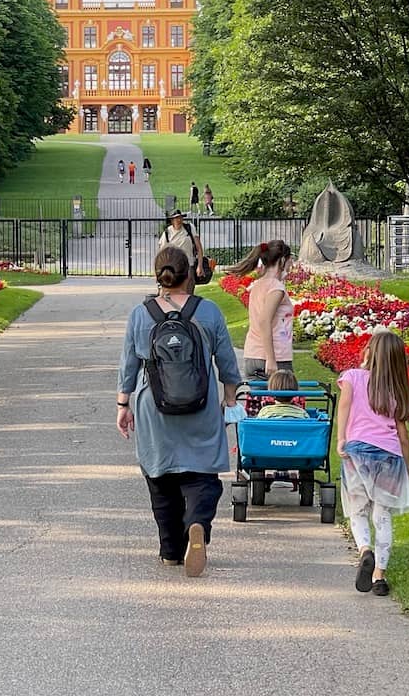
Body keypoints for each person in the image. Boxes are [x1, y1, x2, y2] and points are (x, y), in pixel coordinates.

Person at [117, 245, 241, 576]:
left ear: (158, 275)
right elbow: (227, 363)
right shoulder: (209, 311)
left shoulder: (140, 315)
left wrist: (123, 404)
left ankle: (170, 549)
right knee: (203, 476)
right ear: (190, 274)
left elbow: (128, 366)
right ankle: (197, 522)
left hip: (153, 409)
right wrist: (230, 401)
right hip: (199, 406)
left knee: (160, 479)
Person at [335, 329, 409, 597]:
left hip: (357, 453)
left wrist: (341, 439)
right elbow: (403, 435)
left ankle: (364, 550)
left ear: (368, 353)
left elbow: (343, 408)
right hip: (389, 457)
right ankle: (380, 575)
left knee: (357, 510)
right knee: (382, 515)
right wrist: (407, 469)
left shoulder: (352, 377)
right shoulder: (397, 390)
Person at [227, 239, 294, 381]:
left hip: (253, 354)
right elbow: (264, 321)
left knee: (258, 402)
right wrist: (271, 359)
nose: (291, 264)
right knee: (283, 402)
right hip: (274, 356)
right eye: (289, 260)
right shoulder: (276, 288)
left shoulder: (258, 285)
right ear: (282, 261)